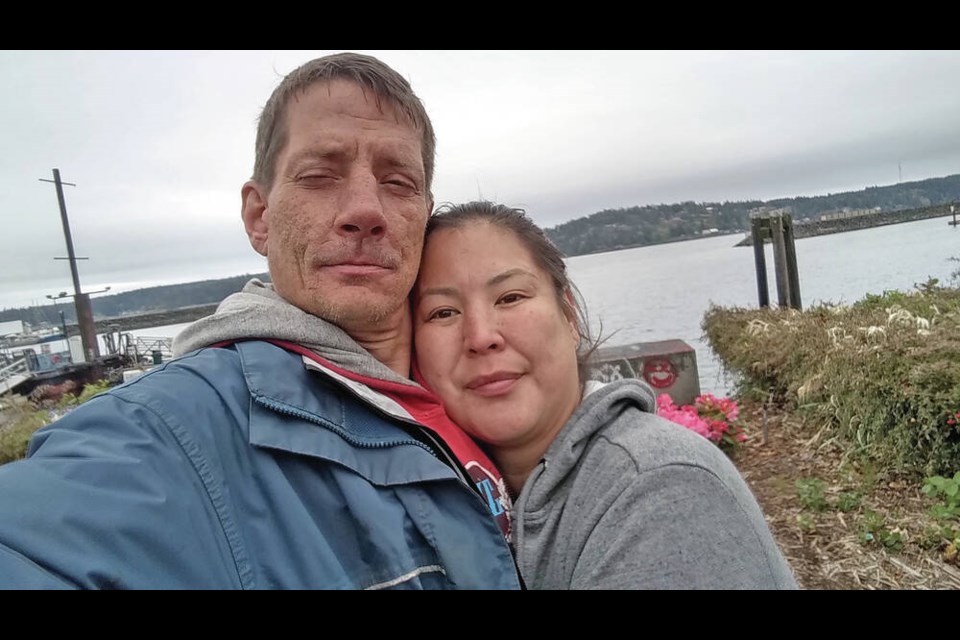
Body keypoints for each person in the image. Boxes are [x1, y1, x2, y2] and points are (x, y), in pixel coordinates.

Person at [0, 54, 521, 590]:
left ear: (426, 214)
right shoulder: (176, 428)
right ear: (259, 217)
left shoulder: (475, 377)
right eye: (319, 176)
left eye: (398, 182)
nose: (366, 209)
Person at [412, 200, 800, 590]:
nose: (481, 337)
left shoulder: (659, 488)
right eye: (443, 312)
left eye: (510, 297)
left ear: (570, 317)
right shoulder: (440, 503)